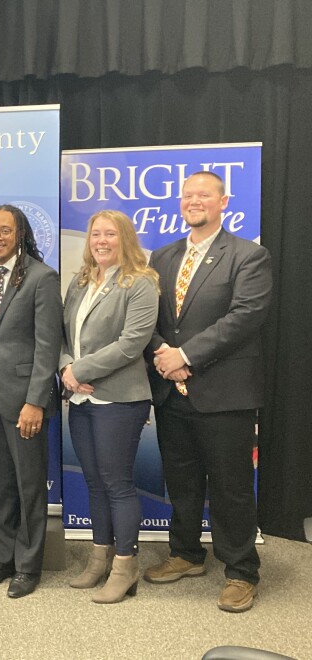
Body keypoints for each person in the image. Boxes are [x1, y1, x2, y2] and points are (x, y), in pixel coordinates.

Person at [143, 171, 273, 613]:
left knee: (231, 486)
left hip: (224, 395)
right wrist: (163, 352)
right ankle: (186, 554)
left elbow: (246, 316)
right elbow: (148, 318)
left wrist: (186, 356)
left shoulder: (248, 256)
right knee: (180, 481)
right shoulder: (161, 257)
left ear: (223, 202)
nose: (193, 201)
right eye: (187, 196)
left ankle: (240, 571)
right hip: (171, 394)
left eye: (203, 195)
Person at [60, 210, 159, 604]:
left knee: (117, 484)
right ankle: (98, 558)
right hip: (81, 398)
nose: (101, 240)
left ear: (125, 239)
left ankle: (125, 566)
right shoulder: (81, 281)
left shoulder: (141, 284)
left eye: (110, 234)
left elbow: (132, 343)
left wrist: (81, 368)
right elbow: (62, 334)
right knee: (95, 483)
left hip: (121, 399)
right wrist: (67, 368)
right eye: (95, 234)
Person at [0, 204, 61, 599]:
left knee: (28, 486)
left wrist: (36, 401)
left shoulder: (42, 277)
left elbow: (47, 344)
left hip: (24, 400)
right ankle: (2, 559)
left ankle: (27, 566)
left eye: (5, 230)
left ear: (20, 234)